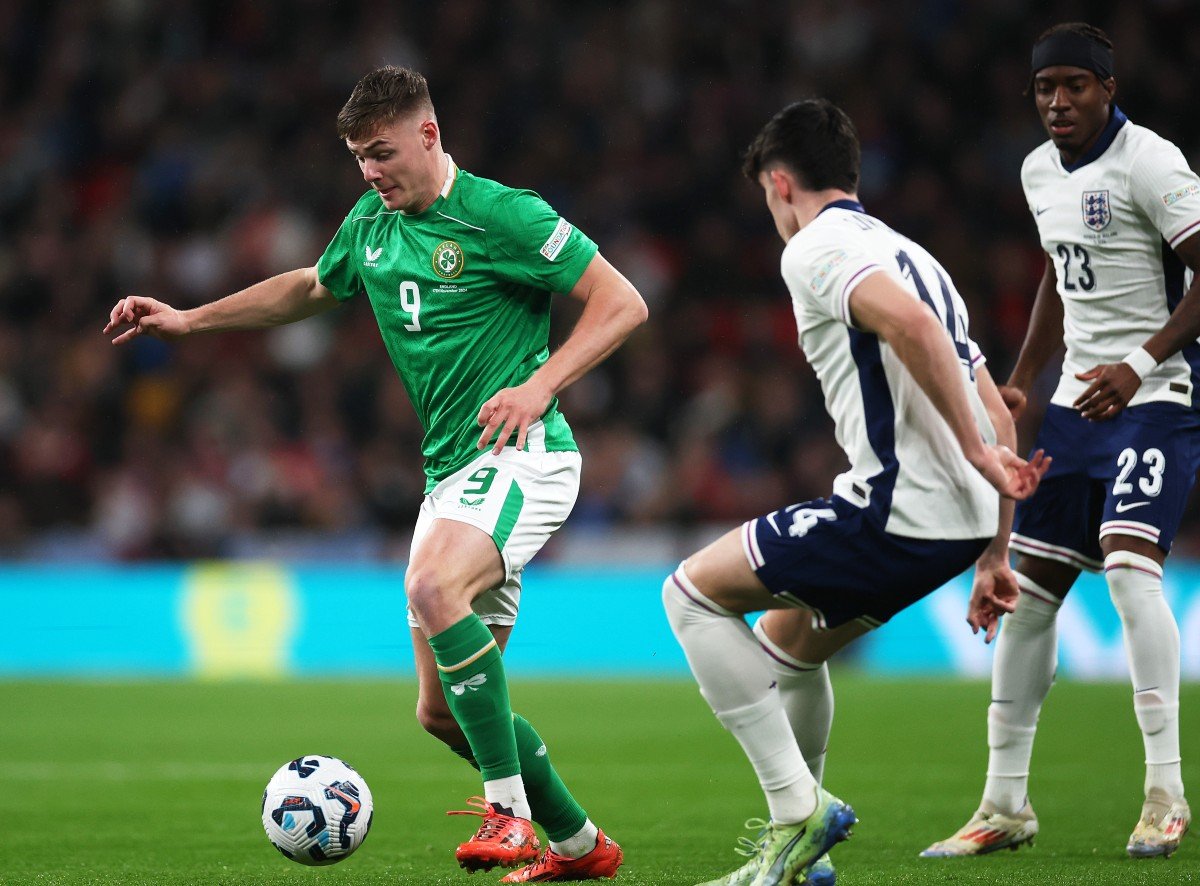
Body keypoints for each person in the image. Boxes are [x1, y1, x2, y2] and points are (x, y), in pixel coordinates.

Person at [104, 65, 646, 882]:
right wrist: (190, 319)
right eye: (359, 157)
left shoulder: (503, 213)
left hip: (522, 455)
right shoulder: (371, 223)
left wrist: (540, 385)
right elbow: (310, 287)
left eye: (382, 153)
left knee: (432, 587)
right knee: (442, 713)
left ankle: (509, 816)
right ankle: (580, 846)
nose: (369, 172)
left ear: (428, 134)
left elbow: (622, 301)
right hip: (450, 475)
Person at [662, 98, 1048, 886]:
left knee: (690, 595)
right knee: (790, 646)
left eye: (767, 197)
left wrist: (974, 452)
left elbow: (913, 330)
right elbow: (1000, 412)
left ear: (780, 183)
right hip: (956, 527)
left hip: (894, 511)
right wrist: (994, 552)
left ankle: (796, 813)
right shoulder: (916, 256)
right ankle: (803, 861)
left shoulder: (817, 246)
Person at [921, 22, 1200, 862]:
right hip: (1080, 407)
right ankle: (1003, 804)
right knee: (1030, 593)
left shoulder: (1152, 162)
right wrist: (1023, 379)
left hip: (1158, 397)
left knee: (1129, 568)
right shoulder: (1038, 170)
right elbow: (1058, 271)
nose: (1059, 101)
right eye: (1046, 88)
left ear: (1109, 89)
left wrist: (1141, 362)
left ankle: (1166, 795)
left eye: (1076, 85)